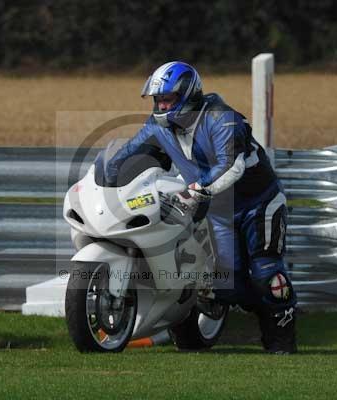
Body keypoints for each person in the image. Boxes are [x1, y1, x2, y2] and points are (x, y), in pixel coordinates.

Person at [105, 61, 297, 354]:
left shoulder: (222, 118)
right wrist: (106, 178)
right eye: (157, 100)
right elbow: (130, 152)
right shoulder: (158, 126)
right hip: (218, 212)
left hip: (259, 203)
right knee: (226, 286)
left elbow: (230, 167)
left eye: (167, 98)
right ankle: (252, 309)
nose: (160, 105)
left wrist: (197, 187)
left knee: (265, 272)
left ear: (186, 94)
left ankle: (281, 341)